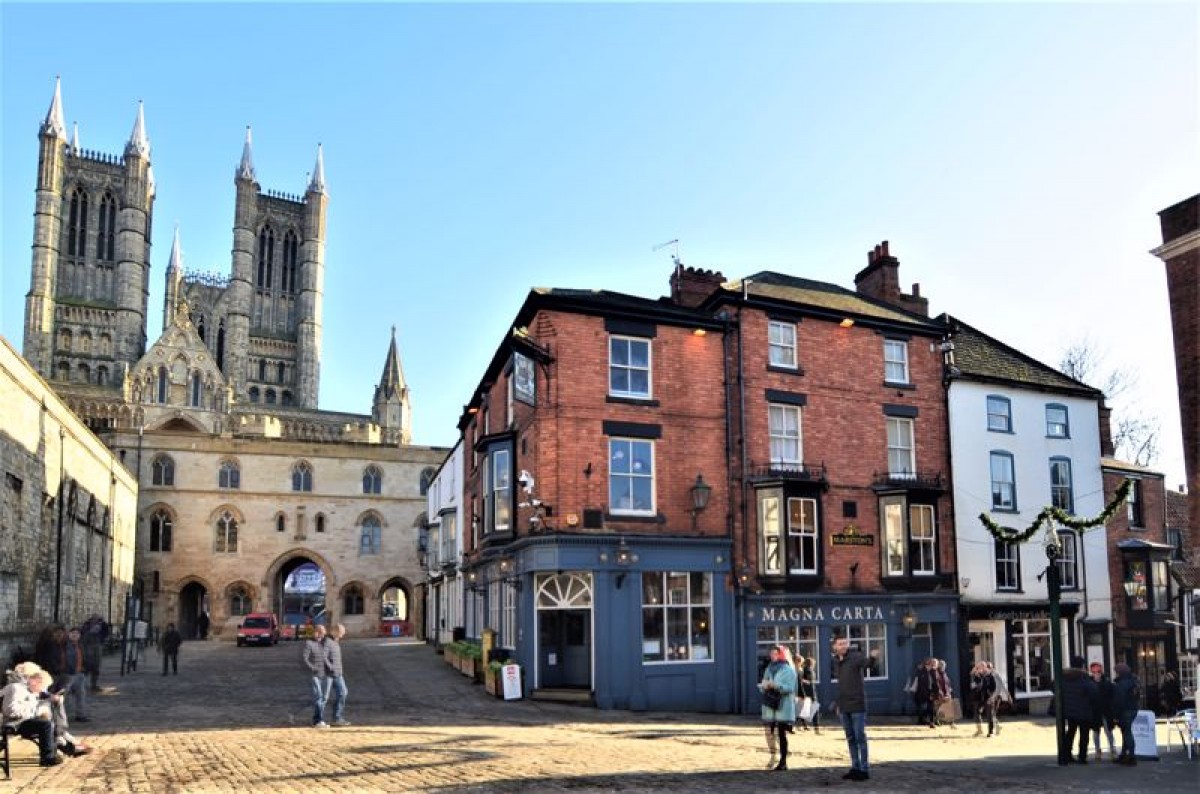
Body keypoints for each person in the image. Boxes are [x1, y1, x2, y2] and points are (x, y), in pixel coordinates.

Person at [9, 662, 92, 757]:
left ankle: (63, 737)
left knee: (56, 702)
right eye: (35, 676)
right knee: (50, 710)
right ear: (28, 677)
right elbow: (13, 711)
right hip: (19, 722)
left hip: (27, 717)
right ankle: (61, 740)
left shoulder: (25, 686)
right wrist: (37, 709)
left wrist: (50, 698)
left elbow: (41, 694)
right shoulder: (16, 688)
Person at [833, 635, 877, 782]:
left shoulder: (856, 657)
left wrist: (872, 658)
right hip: (844, 705)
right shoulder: (836, 661)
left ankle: (864, 770)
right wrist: (838, 705)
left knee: (860, 737)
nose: (844, 646)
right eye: (840, 644)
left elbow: (868, 664)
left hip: (857, 704)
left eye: (845, 643)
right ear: (835, 647)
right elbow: (841, 685)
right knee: (850, 738)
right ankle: (855, 767)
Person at [1, 668, 63, 766]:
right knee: (46, 725)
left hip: (21, 721)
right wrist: (35, 711)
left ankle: (53, 752)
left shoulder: (29, 691)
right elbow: (11, 711)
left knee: (50, 722)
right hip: (13, 723)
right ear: (36, 681)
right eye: (43, 687)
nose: (43, 690)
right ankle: (47, 758)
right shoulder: (16, 688)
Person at [758, 644, 797, 771]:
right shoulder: (769, 668)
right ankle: (773, 756)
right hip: (770, 705)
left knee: (781, 734)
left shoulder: (788, 670)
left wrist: (776, 686)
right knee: (770, 733)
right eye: (771, 654)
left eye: (775, 654)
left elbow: (790, 688)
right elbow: (764, 682)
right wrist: (763, 686)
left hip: (783, 707)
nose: (772, 656)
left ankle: (783, 761)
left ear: (781, 654)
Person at [1060, 655, 1099, 765]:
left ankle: (1067, 754)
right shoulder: (1084, 677)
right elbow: (1094, 692)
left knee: (1071, 732)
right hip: (1083, 710)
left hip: (1069, 710)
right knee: (1084, 734)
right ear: (1082, 666)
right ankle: (1082, 756)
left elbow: (1054, 687)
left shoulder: (1064, 676)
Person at [1110, 663, 1141, 766]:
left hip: (1125, 710)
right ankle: (1125, 755)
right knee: (1125, 731)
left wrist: (1115, 715)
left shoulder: (1122, 684)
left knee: (1127, 732)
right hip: (1132, 709)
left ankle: (1131, 756)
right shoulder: (1133, 681)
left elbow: (1119, 701)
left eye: (1116, 672)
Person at [302, 624, 330, 727]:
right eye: (322, 632)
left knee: (324, 698)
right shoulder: (309, 643)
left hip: (325, 674)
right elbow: (305, 658)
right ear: (317, 632)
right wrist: (313, 667)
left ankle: (317, 719)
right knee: (319, 697)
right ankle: (318, 720)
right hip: (315, 675)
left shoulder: (325, 643)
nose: (324, 634)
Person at [1089, 662, 1117, 761]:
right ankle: (1098, 750)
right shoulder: (1089, 683)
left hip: (1105, 710)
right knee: (1096, 732)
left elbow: (1112, 697)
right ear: (1091, 672)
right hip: (1095, 711)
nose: (1096, 674)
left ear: (1101, 672)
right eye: (1094, 672)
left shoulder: (1107, 683)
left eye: (1099, 672)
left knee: (1108, 731)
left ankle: (1112, 749)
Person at [62, 627, 90, 722]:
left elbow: (84, 657)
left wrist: (85, 669)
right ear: (69, 634)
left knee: (81, 694)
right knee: (65, 696)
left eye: (77, 633)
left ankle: (80, 714)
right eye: (72, 633)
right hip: (68, 673)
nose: (75, 635)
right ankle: (63, 715)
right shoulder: (66, 645)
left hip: (79, 673)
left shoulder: (80, 645)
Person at [326, 624, 350, 727]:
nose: (341, 636)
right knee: (323, 697)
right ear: (335, 631)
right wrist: (330, 667)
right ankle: (335, 718)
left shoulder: (335, 642)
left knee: (342, 693)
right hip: (330, 673)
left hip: (337, 673)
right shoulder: (328, 642)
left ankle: (337, 717)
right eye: (341, 634)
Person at [970, 661, 1000, 737]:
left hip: (988, 697)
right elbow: (972, 686)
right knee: (977, 713)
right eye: (979, 667)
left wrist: (992, 697)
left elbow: (994, 687)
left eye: (982, 667)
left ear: (985, 667)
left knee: (990, 715)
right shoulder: (976, 676)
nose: (980, 669)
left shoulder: (990, 676)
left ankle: (991, 731)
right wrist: (974, 676)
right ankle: (979, 730)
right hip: (978, 698)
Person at [795, 655, 820, 734]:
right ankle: (816, 727)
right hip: (809, 694)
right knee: (814, 710)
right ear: (811, 664)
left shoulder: (804, 670)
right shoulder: (808, 671)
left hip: (805, 693)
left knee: (802, 710)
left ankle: (801, 725)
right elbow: (808, 682)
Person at [913, 657, 941, 728]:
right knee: (923, 707)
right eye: (928, 664)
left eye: (930, 665)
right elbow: (920, 683)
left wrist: (936, 692)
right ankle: (922, 720)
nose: (929, 666)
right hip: (922, 692)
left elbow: (936, 683)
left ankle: (931, 722)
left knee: (931, 707)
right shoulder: (921, 672)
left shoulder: (933, 671)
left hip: (931, 692)